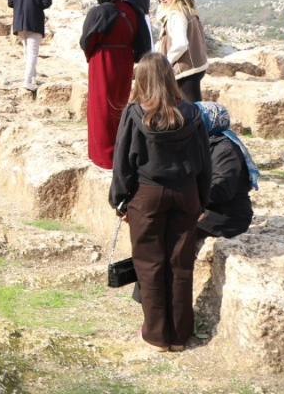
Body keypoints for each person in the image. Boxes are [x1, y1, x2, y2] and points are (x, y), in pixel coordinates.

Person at [109, 53, 211, 353]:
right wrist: (201, 200)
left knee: (150, 264)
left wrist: (119, 199)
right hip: (186, 191)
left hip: (148, 195)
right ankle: (180, 334)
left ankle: (156, 335)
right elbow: (204, 162)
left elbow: (123, 161)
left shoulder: (134, 114)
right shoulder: (193, 113)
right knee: (181, 264)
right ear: (169, 77)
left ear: (142, 79)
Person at [81, 0, 149, 170]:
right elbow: (142, 42)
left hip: (103, 59)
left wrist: (91, 54)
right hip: (125, 59)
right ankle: (121, 150)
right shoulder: (133, 10)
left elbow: (87, 40)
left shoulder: (100, 11)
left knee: (100, 106)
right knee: (119, 104)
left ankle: (103, 154)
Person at [193, 102, 258, 248]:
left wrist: (190, 200)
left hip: (227, 216)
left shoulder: (225, 150)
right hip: (208, 209)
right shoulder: (205, 143)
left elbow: (221, 189)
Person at [154, 0, 209, 104]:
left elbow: (181, 43)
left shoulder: (176, 15)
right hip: (196, 66)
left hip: (185, 70)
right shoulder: (187, 10)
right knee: (195, 106)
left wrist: (165, 62)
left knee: (190, 109)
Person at [8, 0, 52, 92]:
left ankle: (32, 78)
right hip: (34, 23)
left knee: (27, 51)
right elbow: (46, 2)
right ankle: (27, 81)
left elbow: (10, 3)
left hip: (19, 23)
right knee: (33, 53)